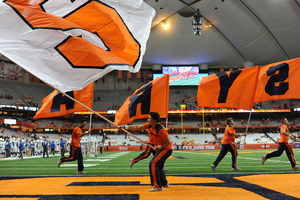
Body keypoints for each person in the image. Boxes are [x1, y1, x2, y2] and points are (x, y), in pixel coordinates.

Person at [121, 112, 172, 192]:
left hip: (166, 149)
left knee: (153, 163)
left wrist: (159, 147)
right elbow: (137, 127)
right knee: (158, 166)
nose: (147, 119)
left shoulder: (160, 129)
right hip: (159, 148)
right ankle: (164, 183)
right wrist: (125, 127)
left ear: (154, 120)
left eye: (149, 118)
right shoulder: (149, 125)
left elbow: (168, 142)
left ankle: (158, 186)